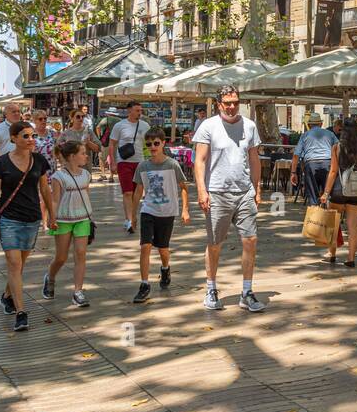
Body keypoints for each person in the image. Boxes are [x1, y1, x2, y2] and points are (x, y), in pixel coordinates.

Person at [193, 85, 264, 312]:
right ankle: (211, 289)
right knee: (215, 244)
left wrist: (257, 188)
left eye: (235, 102)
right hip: (217, 193)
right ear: (219, 104)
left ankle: (247, 291)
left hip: (244, 192)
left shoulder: (250, 126)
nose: (232, 106)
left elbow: (254, 159)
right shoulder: (208, 126)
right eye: (227, 103)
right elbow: (200, 161)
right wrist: (202, 191)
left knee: (250, 240)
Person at [0, 121, 54, 332]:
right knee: (14, 264)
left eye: (32, 135)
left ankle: (7, 295)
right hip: (9, 219)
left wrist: (52, 215)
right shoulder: (1, 163)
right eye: (25, 136)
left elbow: (45, 189)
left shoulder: (40, 160)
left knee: (20, 265)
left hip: (32, 218)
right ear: (13, 138)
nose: (30, 139)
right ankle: (21, 312)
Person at [132, 131, 190, 304]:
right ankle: (144, 284)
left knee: (163, 248)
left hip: (167, 211)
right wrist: (133, 215)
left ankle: (165, 268)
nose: (152, 147)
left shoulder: (172, 165)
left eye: (156, 143)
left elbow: (184, 187)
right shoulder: (143, 166)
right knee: (145, 246)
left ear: (163, 143)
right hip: (148, 210)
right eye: (148, 144)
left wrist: (185, 210)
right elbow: (138, 191)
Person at [44, 140, 93, 308]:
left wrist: (90, 215)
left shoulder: (86, 174)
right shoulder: (58, 177)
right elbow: (55, 199)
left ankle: (78, 291)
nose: (86, 156)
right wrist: (52, 218)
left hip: (82, 218)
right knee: (61, 257)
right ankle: (50, 277)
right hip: (63, 219)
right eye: (83, 153)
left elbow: (86, 194)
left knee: (81, 254)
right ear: (72, 156)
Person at [322, 119, 357, 269]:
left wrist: (326, 192)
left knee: (333, 224)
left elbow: (333, 171)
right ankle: (350, 258)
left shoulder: (337, 148)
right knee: (352, 225)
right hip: (356, 191)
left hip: (338, 190)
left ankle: (332, 253)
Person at [109, 101, 150, 234]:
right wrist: (113, 162)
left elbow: (150, 143)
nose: (140, 113)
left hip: (140, 162)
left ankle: (133, 215)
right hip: (124, 162)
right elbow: (112, 144)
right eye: (137, 110)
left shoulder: (145, 125)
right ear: (129, 111)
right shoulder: (119, 126)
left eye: (140, 110)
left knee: (137, 193)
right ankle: (129, 220)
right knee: (127, 192)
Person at [290, 112, 338, 207]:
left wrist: (293, 172)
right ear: (321, 124)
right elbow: (338, 148)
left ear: (309, 125)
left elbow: (296, 155)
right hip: (328, 163)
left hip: (311, 165)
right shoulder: (330, 134)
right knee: (328, 193)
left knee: (312, 196)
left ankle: (314, 217)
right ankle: (327, 216)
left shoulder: (305, 135)